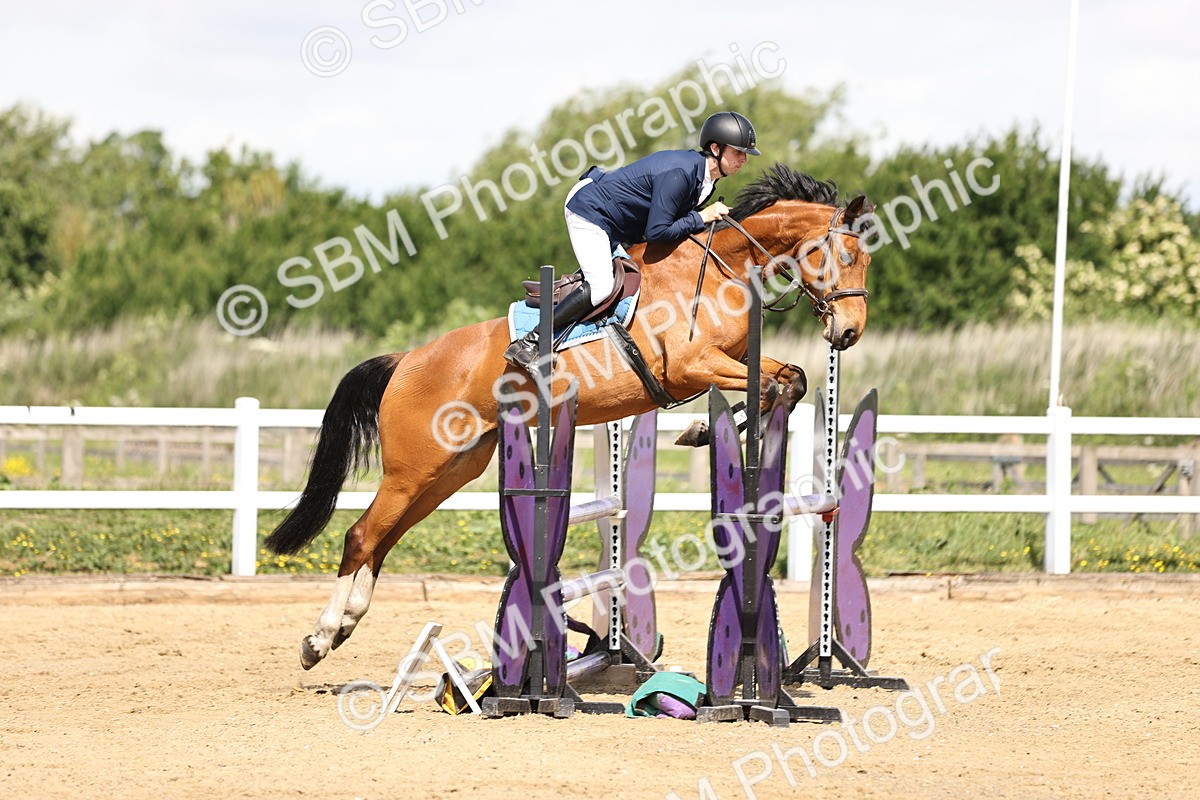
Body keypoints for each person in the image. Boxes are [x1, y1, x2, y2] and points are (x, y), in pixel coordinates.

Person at [503, 110, 760, 371]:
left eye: (745, 154)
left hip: (620, 222)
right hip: (591, 211)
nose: (743, 160)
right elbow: (658, 232)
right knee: (602, 286)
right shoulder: (680, 173)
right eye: (738, 152)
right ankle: (531, 343)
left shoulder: (706, 181)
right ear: (716, 148)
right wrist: (701, 217)